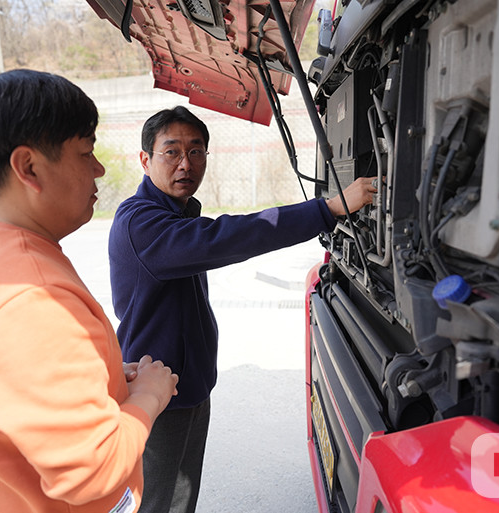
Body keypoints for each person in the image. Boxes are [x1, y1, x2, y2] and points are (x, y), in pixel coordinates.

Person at [108, 106, 377, 513]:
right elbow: (230, 237)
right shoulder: (141, 223)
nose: (186, 164)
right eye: (172, 151)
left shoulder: (174, 213)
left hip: (187, 387)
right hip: (156, 393)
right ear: (145, 160)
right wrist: (329, 209)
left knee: (180, 500)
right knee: (153, 503)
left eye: (196, 151)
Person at [0, 69, 179, 513]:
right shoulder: (32, 301)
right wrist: (150, 394)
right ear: (29, 168)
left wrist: (105, 376)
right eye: (86, 152)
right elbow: (92, 470)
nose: (99, 168)